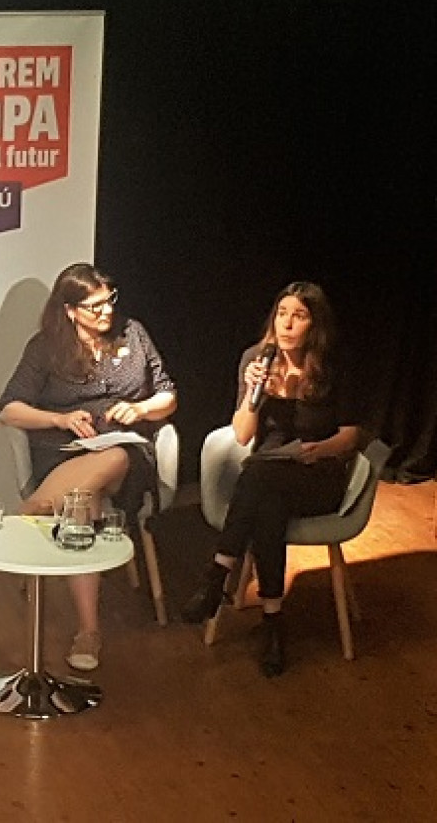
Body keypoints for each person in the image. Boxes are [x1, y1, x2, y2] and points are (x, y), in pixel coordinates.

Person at [0, 263, 178, 672]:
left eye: (108, 301)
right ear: (69, 310)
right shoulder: (46, 348)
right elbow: (9, 409)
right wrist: (59, 419)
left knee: (113, 456)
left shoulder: (133, 334)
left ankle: (29, 514)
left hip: (125, 454)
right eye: (94, 306)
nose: (106, 311)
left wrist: (140, 409)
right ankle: (88, 631)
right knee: (82, 500)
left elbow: (168, 395)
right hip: (64, 453)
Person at [182, 282, 360, 677]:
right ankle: (273, 621)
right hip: (269, 475)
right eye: (282, 313)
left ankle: (217, 577)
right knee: (267, 503)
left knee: (259, 479)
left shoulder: (332, 364)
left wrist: (322, 449)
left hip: (318, 472)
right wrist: (253, 392)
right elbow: (243, 434)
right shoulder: (256, 358)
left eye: (299, 316)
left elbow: (351, 435)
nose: (287, 324)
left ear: (315, 324)